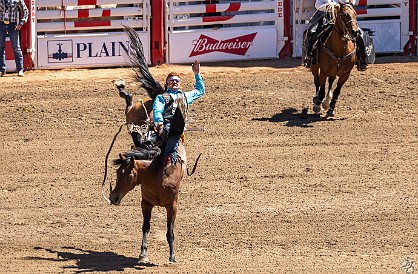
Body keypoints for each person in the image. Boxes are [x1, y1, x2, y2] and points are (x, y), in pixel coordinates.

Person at [153, 59, 205, 175]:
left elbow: (200, 91)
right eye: (171, 81)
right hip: (166, 125)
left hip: (178, 126)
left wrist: (197, 74)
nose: (174, 82)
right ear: (167, 84)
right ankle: (169, 160)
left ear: (180, 83)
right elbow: (157, 110)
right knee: (174, 131)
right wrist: (159, 124)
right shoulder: (162, 97)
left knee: (177, 129)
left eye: (177, 80)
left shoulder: (185, 96)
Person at [302, 0, 368, 71]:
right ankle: (310, 56)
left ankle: (362, 59)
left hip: (344, 16)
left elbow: (352, 1)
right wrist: (328, 6)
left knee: (359, 34)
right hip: (327, 16)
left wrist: (347, 4)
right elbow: (317, 4)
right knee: (313, 32)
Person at [0, 0, 28, 77]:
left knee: (16, 48)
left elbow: (25, 10)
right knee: (0, 48)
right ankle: (2, 69)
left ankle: (20, 69)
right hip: (1, 23)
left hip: (13, 24)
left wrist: (21, 23)